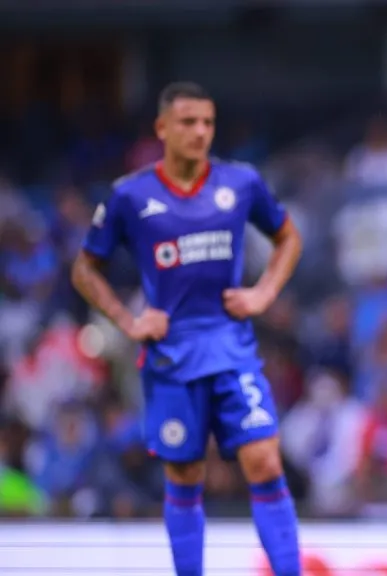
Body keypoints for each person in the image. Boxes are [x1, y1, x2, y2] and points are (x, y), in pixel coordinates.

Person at [71, 82, 303, 576]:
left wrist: (262, 294)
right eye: (188, 122)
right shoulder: (129, 196)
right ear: (162, 129)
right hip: (170, 356)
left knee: (264, 460)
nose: (200, 132)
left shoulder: (240, 183)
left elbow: (288, 237)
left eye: (207, 123)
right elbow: (84, 269)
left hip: (231, 346)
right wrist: (129, 321)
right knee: (186, 473)